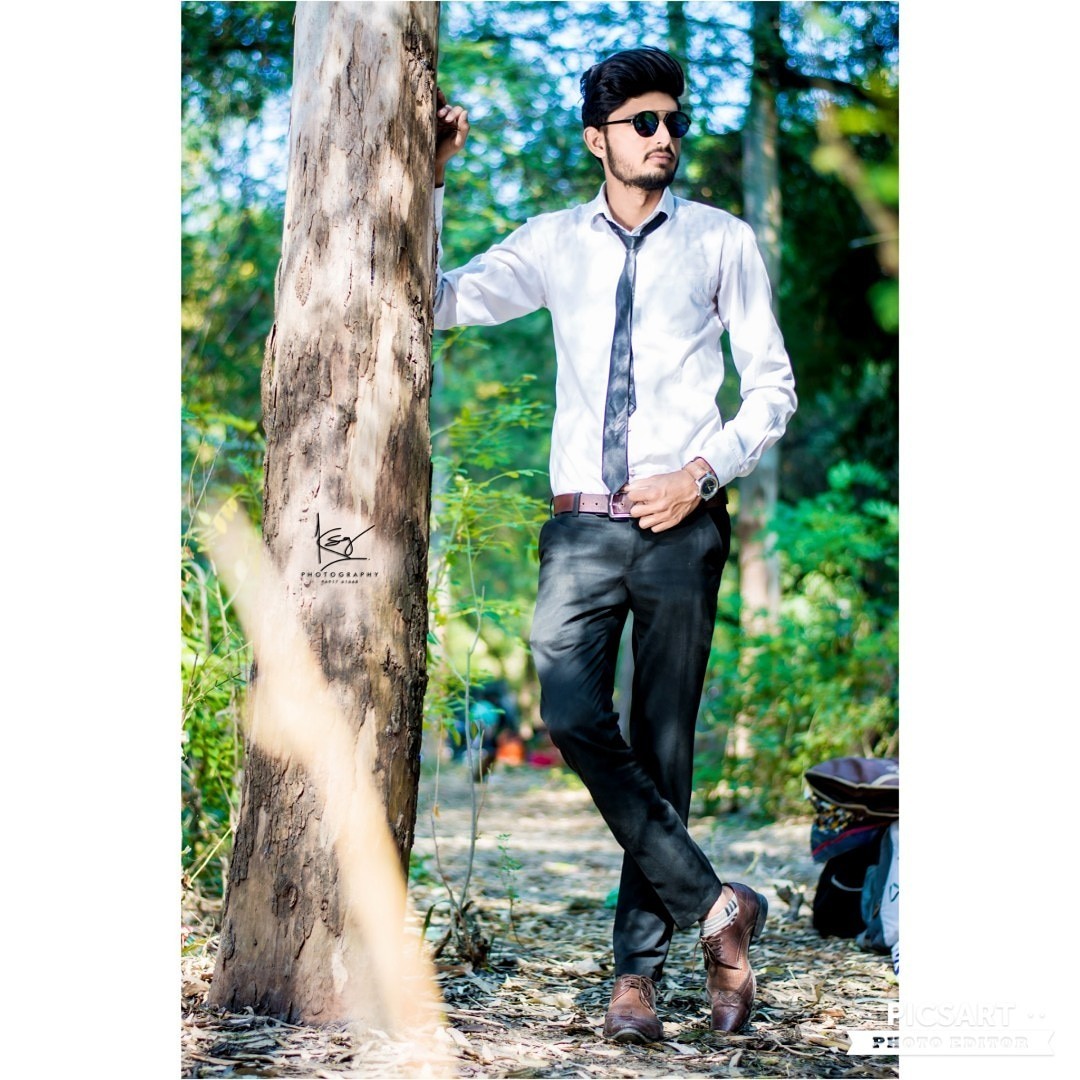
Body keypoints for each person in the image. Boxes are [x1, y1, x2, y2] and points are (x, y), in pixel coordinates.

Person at [432, 46, 796, 1042]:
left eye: (673, 120)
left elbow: (771, 387)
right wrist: (434, 181)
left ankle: (636, 978)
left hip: (683, 522)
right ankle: (720, 908)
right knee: (568, 709)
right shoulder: (554, 242)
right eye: (643, 122)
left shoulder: (722, 241)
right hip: (583, 527)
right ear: (599, 138)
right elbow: (441, 300)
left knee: (662, 745)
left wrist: (700, 474)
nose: (663, 136)